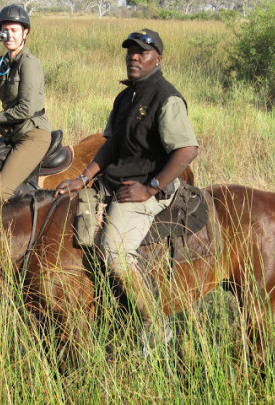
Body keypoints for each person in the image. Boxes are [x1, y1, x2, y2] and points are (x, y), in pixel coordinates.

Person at [55, 29, 199, 354]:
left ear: (157, 59)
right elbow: (109, 147)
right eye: (130, 52)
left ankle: (155, 324)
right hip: (113, 181)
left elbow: (187, 149)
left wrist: (151, 188)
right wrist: (82, 178)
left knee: (115, 253)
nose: (133, 57)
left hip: (142, 188)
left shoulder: (166, 97)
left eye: (142, 52)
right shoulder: (126, 97)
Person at [0, 4, 51, 201]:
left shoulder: (29, 63)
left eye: (14, 30)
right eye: (5, 31)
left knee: (2, 190)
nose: (10, 35)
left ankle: (8, 229)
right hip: (12, 133)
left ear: (25, 33)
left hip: (33, 134)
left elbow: (26, 108)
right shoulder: (3, 62)